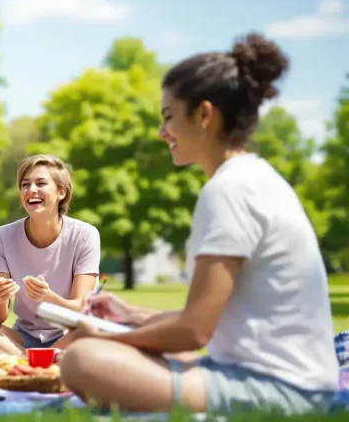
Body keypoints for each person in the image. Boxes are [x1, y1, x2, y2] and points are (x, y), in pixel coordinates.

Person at [60, 33, 339, 416]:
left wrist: (106, 336)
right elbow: (212, 318)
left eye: (169, 117)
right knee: (103, 350)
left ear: (204, 115)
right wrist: (129, 316)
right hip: (287, 380)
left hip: (280, 390)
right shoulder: (251, 178)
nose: (162, 133)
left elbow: (194, 332)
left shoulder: (229, 190)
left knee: (82, 358)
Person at [0, 154, 101, 356]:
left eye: (40, 183)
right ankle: (35, 362)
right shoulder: (3, 236)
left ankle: (27, 361)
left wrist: (50, 298)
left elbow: (81, 308)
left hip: (68, 337)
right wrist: (0, 299)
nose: (31, 190)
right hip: (21, 339)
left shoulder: (84, 235)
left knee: (92, 329)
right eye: (25, 185)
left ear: (61, 192)